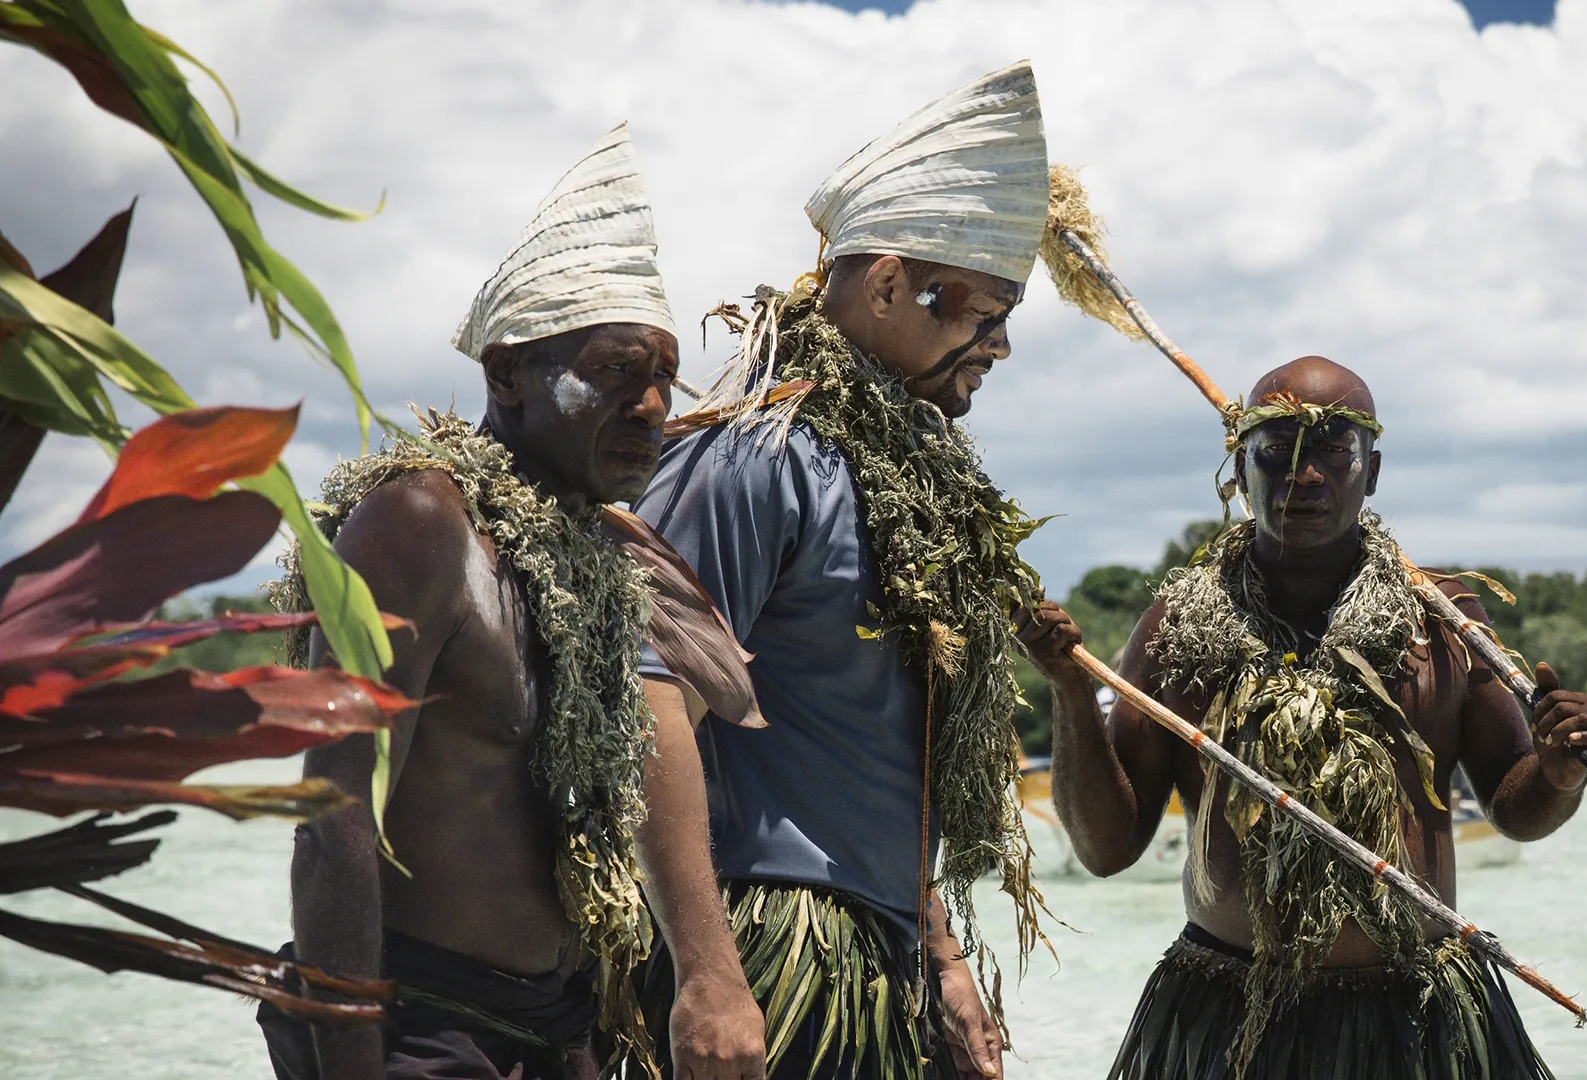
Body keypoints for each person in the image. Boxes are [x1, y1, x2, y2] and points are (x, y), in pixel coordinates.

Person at [259, 126, 766, 1080]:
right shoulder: (417, 523)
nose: (654, 403)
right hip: (419, 1027)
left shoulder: (597, 564)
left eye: (664, 374)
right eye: (616, 370)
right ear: (506, 376)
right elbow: (335, 825)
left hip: (551, 1030)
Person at [633, 61, 1075, 1079]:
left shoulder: (892, 478)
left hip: (881, 954)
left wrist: (943, 956)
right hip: (771, 951)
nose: (999, 346)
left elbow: (877, 748)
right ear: (886, 285)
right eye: (983, 310)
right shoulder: (755, 458)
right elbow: (646, 700)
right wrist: (705, 972)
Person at [1034, 355, 1587, 1079]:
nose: (1304, 476)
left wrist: (1558, 772)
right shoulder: (1178, 628)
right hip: (1227, 1015)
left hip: (1415, 1014)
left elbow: (1517, 812)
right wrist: (1071, 692)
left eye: (1335, 450)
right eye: (1276, 451)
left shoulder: (1445, 622)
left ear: (1371, 471)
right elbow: (1106, 848)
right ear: (1240, 472)